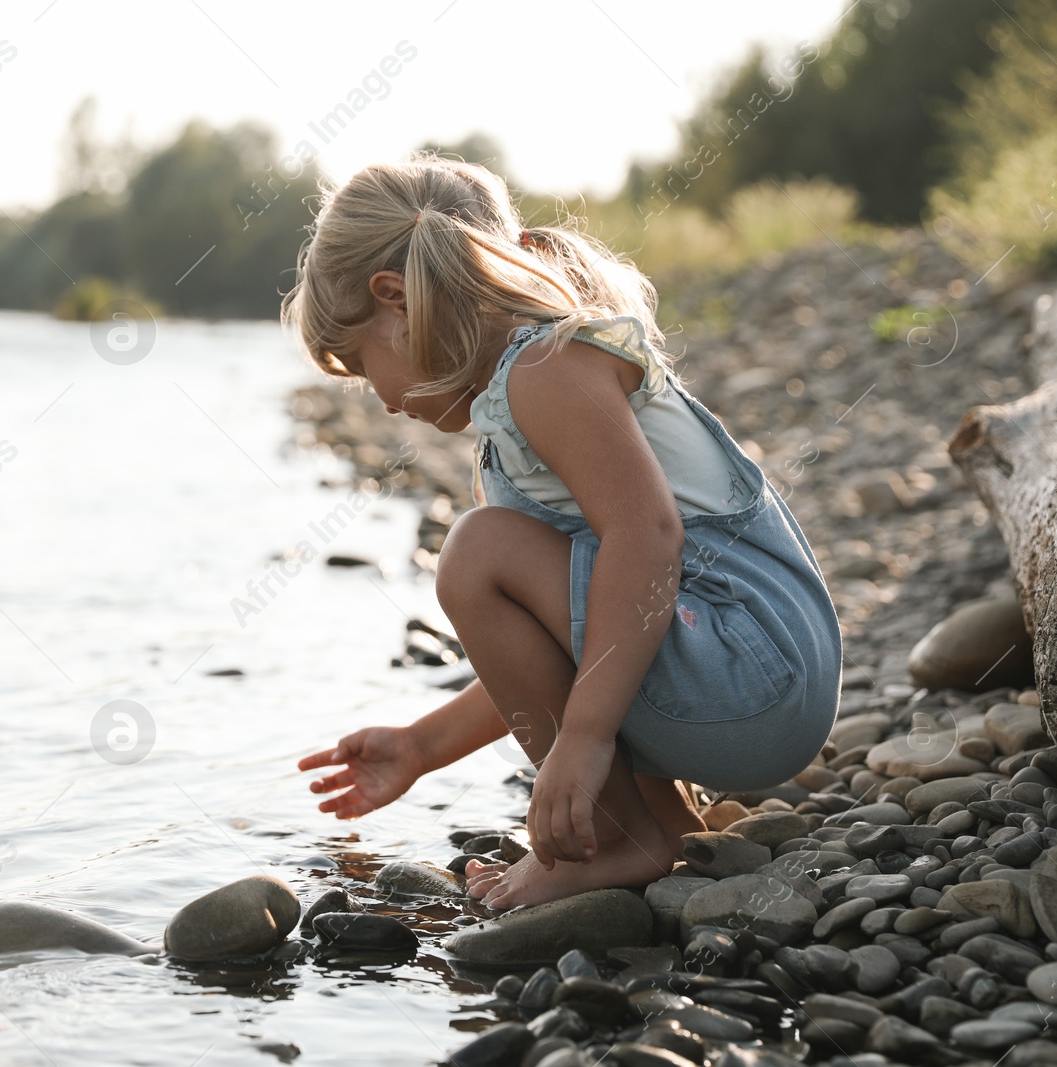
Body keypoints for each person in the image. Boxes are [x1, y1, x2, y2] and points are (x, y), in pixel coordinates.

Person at [283, 155, 842, 909]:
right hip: (749, 680)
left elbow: (647, 536)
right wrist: (422, 745)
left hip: (752, 673)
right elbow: (568, 637)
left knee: (475, 553)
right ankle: (664, 823)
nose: (380, 400)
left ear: (395, 301)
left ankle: (617, 836)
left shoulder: (545, 370)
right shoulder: (526, 388)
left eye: (360, 363)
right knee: (554, 574)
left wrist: (582, 740)